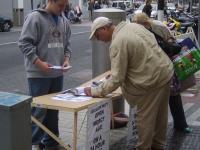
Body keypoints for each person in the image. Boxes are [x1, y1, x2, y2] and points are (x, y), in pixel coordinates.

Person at [84, 16, 173, 150]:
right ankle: (158, 145)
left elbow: (116, 79)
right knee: (161, 116)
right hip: (165, 72)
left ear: (104, 28)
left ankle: (144, 147)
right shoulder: (133, 26)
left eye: (98, 35)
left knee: (145, 119)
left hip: (150, 82)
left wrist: (95, 91)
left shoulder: (118, 42)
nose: (98, 40)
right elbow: (141, 53)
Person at [18, 0, 72, 149]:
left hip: (57, 73)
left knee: (53, 110)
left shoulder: (64, 20)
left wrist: (66, 59)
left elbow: (67, 44)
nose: (62, 9)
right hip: (38, 75)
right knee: (38, 111)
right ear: (50, 1)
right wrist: (39, 63)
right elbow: (24, 43)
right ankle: (34, 143)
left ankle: (51, 142)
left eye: (64, 6)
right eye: (60, 5)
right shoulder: (34, 17)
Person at [132, 13, 192, 133]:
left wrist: (168, 43)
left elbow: (172, 41)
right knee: (155, 98)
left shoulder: (158, 27)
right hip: (150, 67)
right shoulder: (136, 32)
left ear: (146, 23)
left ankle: (180, 124)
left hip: (166, 64)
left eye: (140, 26)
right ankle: (154, 128)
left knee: (174, 95)